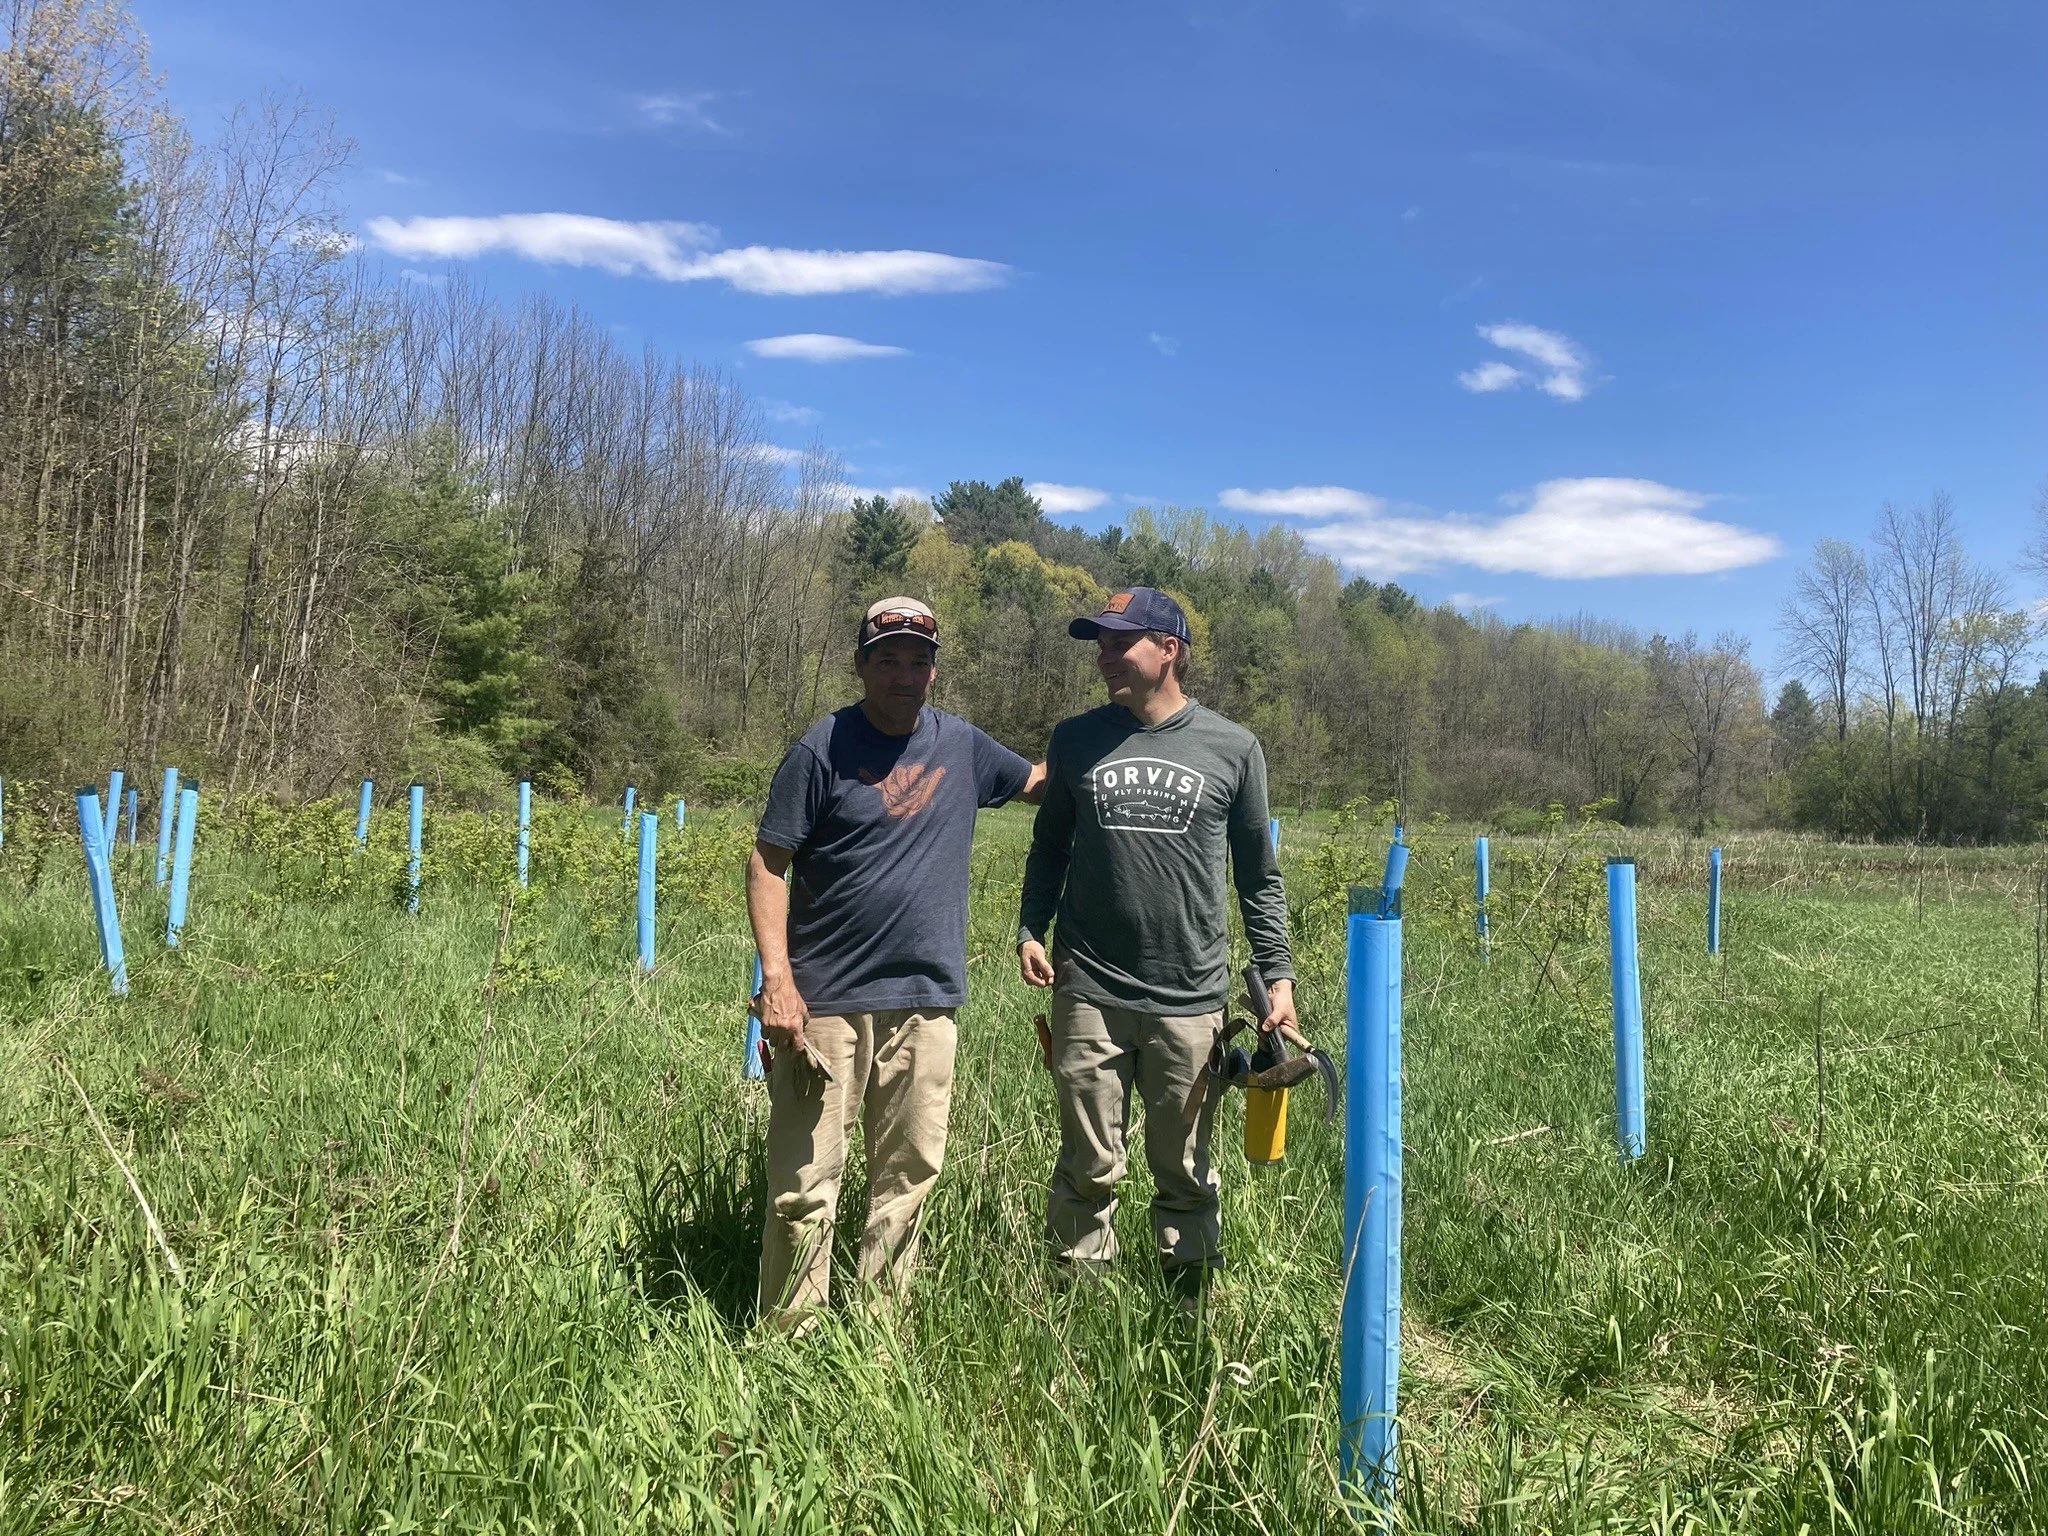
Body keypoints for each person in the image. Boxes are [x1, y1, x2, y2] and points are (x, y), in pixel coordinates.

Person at [750, 596, 1045, 1328]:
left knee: (908, 1178)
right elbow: (767, 864)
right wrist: (777, 985)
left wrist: (1119, 743)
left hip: (925, 1002)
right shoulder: (820, 749)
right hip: (823, 1007)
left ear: (935, 673)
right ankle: (789, 1344)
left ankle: (878, 1347)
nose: (904, 675)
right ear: (860, 665)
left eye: (919, 661)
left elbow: (1042, 783)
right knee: (803, 1186)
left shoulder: (964, 747)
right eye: (888, 660)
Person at [1017, 586, 1296, 1294]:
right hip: (1089, 987)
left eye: (1120, 641)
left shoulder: (1232, 748)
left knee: (1187, 1170)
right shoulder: (1076, 739)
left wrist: (1279, 976)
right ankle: (1078, 1314)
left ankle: (1189, 1311)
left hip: (1190, 993)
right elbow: (1049, 847)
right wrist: (1031, 928)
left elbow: (1259, 876)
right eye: (1100, 643)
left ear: (1169, 650)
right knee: (1086, 1164)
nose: (1105, 655)